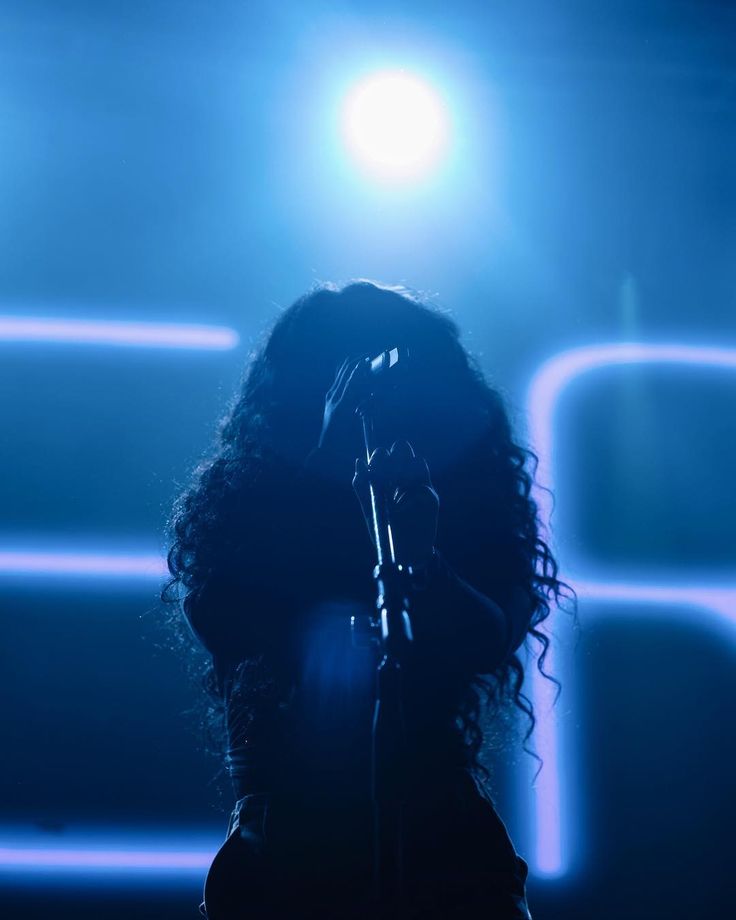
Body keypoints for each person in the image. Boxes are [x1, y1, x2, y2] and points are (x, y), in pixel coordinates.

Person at [164, 281, 567, 918]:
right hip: (286, 853)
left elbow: (489, 637)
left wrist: (421, 558)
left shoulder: (469, 507)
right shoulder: (250, 513)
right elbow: (222, 615)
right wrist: (326, 469)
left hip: (443, 848)